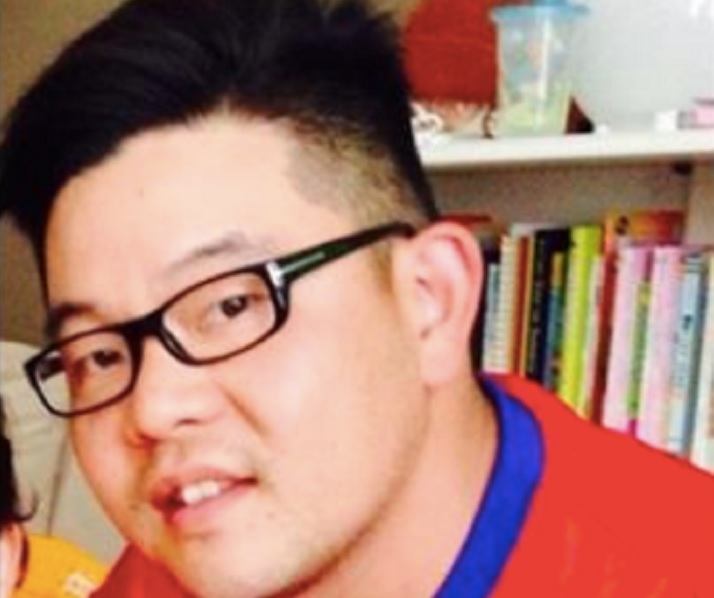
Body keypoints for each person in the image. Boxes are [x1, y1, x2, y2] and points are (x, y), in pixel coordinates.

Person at [1, 0, 713, 596]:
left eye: (230, 306)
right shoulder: (180, 559)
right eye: (99, 355)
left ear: (431, 299)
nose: (153, 409)